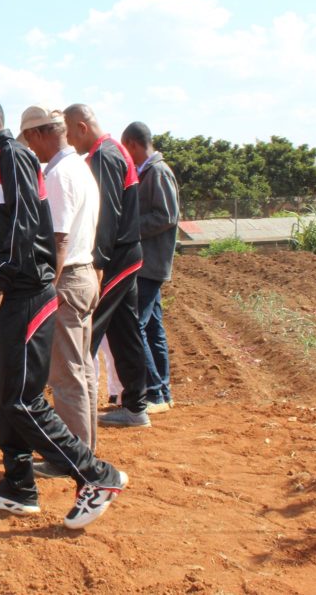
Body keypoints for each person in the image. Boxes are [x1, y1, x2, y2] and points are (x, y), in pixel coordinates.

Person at [0, 90, 127, 529]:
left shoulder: (13, 156)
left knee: (22, 400)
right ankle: (18, 487)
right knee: (4, 398)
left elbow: (24, 226)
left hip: (25, 294)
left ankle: (97, 476)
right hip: (7, 298)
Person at [17, 106, 101, 466]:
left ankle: (72, 456)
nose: (31, 151)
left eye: (30, 142)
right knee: (81, 369)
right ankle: (84, 448)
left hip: (66, 279)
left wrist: (47, 287)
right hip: (84, 275)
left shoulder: (58, 174)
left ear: (38, 134)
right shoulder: (80, 168)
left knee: (65, 375)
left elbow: (59, 239)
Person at [64, 103, 151, 428]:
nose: (70, 142)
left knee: (87, 330)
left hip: (115, 259)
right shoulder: (114, 151)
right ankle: (135, 407)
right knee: (125, 330)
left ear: (82, 127)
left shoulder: (104, 156)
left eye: (71, 134)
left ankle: (74, 415)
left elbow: (107, 217)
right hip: (127, 254)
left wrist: (97, 264)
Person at [121, 121, 179, 414]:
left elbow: (166, 216)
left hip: (150, 264)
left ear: (132, 144)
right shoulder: (150, 172)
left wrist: (130, 226)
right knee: (153, 328)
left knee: (136, 327)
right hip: (149, 263)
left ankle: (154, 392)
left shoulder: (157, 172)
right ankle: (163, 393)